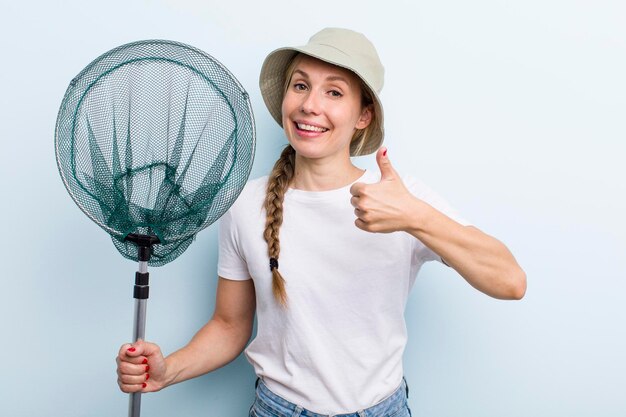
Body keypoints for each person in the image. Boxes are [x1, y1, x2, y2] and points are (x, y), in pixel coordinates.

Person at [116, 28, 526, 417]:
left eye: (334, 92)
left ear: (363, 116)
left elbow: (510, 281)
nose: (310, 105)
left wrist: (414, 216)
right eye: (300, 85)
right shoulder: (245, 205)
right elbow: (229, 325)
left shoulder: (398, 197)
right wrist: (169, 369)